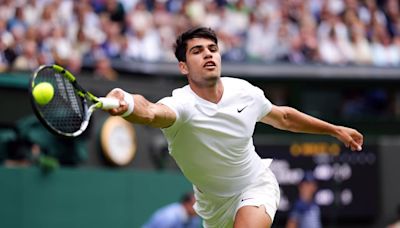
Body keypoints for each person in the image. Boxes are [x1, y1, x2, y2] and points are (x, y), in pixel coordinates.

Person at [106, 27, 363, 228]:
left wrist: (334, 129)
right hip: (212, 208)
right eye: (197, 51)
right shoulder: (180, 105)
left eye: (212, 48)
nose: (208, 54)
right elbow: (150, 112)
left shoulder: (244, 92)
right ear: (183, 66)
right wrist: (128, 102)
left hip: (255, 185)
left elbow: (283, 117)